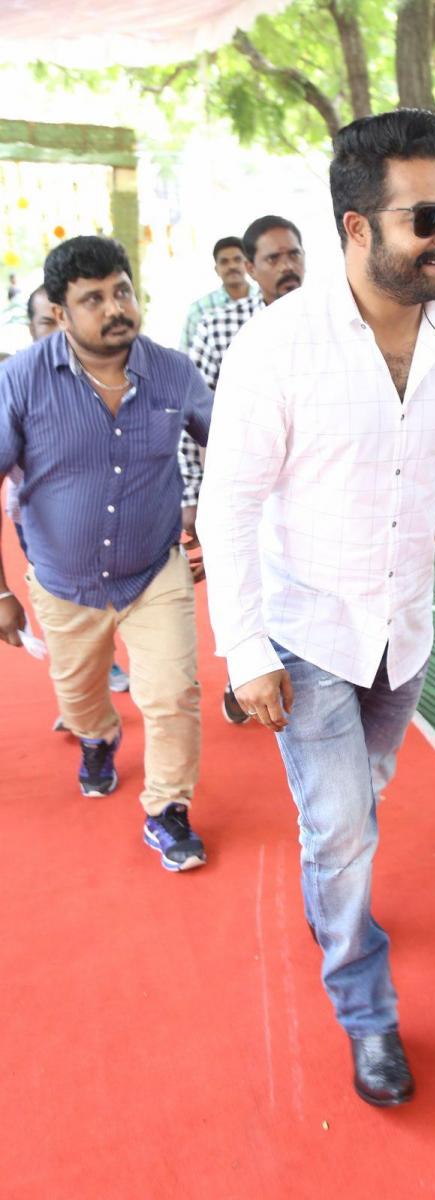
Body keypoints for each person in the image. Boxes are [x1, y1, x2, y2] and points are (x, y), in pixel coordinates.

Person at [197, 109, 435, 1105]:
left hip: (402, 634)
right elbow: (227, 505)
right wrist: (245, 651)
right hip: (306, 631)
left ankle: (334, 892)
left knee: (361, 799)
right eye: (425, 219)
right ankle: (367, 1013)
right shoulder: (278, 346)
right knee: (344, 829)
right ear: (357, 228)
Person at [0, 236, 212, 872]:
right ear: (60, 312)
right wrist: (2, 591)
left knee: (172, 694)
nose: (115, 307)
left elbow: (234, 452)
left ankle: (168, 810)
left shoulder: (174, 372)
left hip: (154, 571)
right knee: (79, 697)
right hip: (64, 583)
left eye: (121, 291)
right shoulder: (20, 380)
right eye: (93, 299)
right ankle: (97, 736)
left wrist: (221, 529)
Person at [182, 215, 306, 725]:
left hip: (308, 490)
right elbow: (189, 412)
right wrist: (192, 494)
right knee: (250, 580)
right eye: (273, 259)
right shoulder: (219, 328)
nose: (287, 266)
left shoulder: (335, 324)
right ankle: (246, 670)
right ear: (252, 269)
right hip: (243, 487)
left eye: (294, 254)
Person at [3, 285, 131, 708]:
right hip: (38, 523)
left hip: (111, 514)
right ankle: (82, 696)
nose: (59, 332)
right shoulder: (17, 381)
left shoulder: (109, 370)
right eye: (47, 323)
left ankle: (88, 684)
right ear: (32, 327)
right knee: (66, 604)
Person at [178, 236, 258, 352]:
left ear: (247, 264)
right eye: (224, 262)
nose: (232, 266)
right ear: (216, 269)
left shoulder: (264, 299)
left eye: (237, 259)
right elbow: (185, 354)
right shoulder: (199, 309)